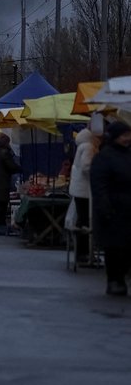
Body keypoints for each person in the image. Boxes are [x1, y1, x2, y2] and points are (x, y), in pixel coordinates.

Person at [90, 121, 131, 296]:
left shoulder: (128, 155)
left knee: (128, 248)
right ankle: (115, 280)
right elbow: (99, 186)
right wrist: (105, 208)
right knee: (115, 249)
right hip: (113, 210)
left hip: (128, 211)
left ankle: (121, 278)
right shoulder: (104, 157)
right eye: (124, 135)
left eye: (129, 135)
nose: (128, 138)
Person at [68, 128, 100, 259]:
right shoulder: (89, 147)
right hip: (86, 191)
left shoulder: (83, 145)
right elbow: (87, 167)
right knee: (86, 221)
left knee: (83, 220)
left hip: (79, 189)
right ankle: (84, 252)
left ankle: (82, 252)